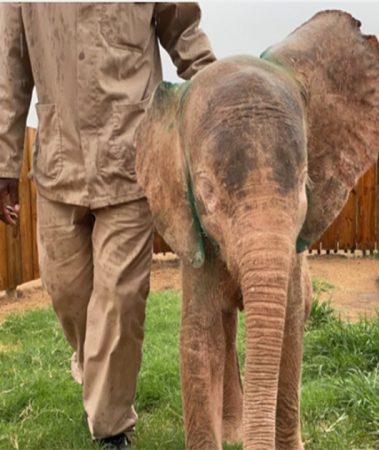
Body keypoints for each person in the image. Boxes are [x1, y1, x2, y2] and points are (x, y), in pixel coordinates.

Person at [0, 4, 216, 448]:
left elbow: (184, 29)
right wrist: (5, 164)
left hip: (132, 157)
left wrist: (217, 90)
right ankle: (97, 372)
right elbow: (11, 67)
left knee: (120, 297)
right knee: (66, 292)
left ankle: (112, 427)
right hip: (60, 162)